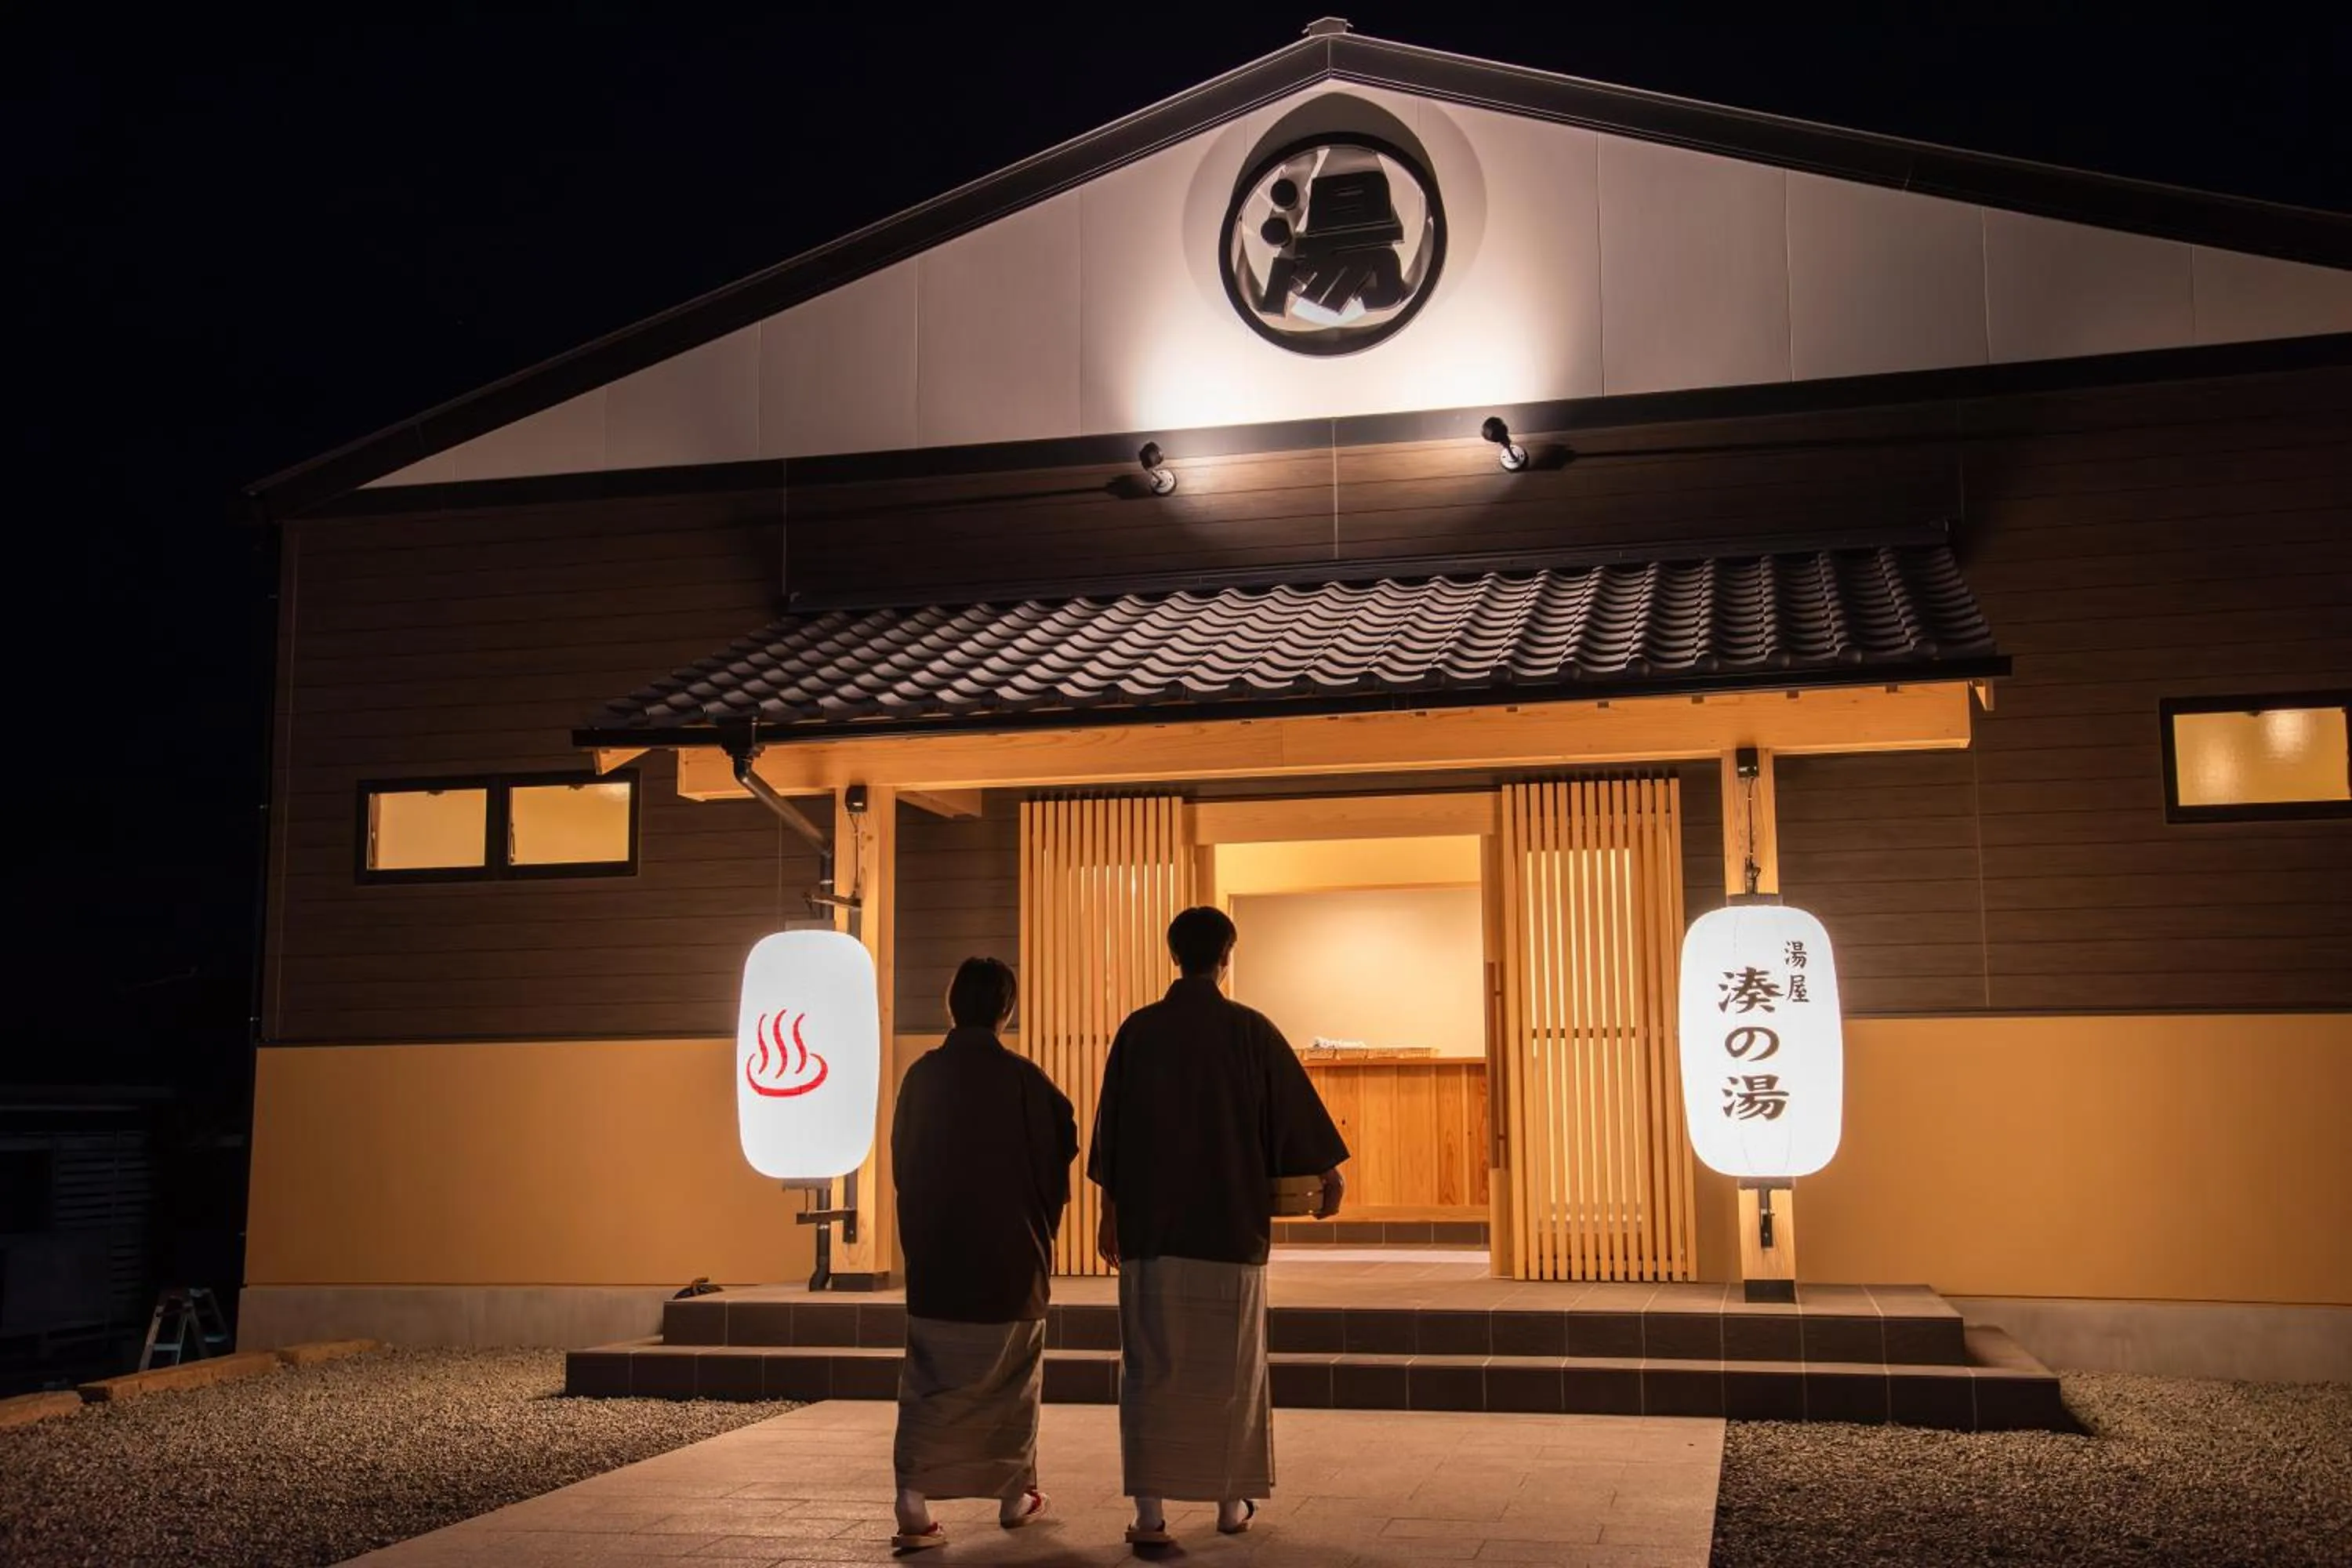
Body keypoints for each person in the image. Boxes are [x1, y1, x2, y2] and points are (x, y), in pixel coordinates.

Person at [1087, 906, 1349, 1548]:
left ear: (1172, 954)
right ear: (1226, 957)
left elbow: (1112, 1132)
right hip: (1228, 1230)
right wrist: (1329, 1174)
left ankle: (1150, 1515)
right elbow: (1294, 1114)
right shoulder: (1250, 1031)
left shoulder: (1138, 1032)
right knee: (1230, 1370)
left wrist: (1109, 1213)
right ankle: (1230, 1504)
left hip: (1152, 1231)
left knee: (1151, 1368)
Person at [887, 956, 1078, 1554]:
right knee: (1012, 1382)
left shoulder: (922, 1076)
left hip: (940, 1257)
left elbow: (903, 1161)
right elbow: (1062, 1143)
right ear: (1006, 1009)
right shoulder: (1024, 1079)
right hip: (1008, 1257)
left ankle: (912, 1506)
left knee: (929, 1382)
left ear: (952, 1007)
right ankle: (1013, 1496)